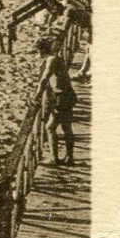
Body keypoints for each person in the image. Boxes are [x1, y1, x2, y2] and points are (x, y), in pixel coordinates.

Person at [39, 37, 78, 165]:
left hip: (62, 97)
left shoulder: (51, 60)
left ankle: (54, 159)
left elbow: (44, 79)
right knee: (67, 127)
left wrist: (36, 96)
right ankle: (69, 157)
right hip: (68, 95)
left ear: (41, 50)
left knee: (50, 127)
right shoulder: (55, 58)